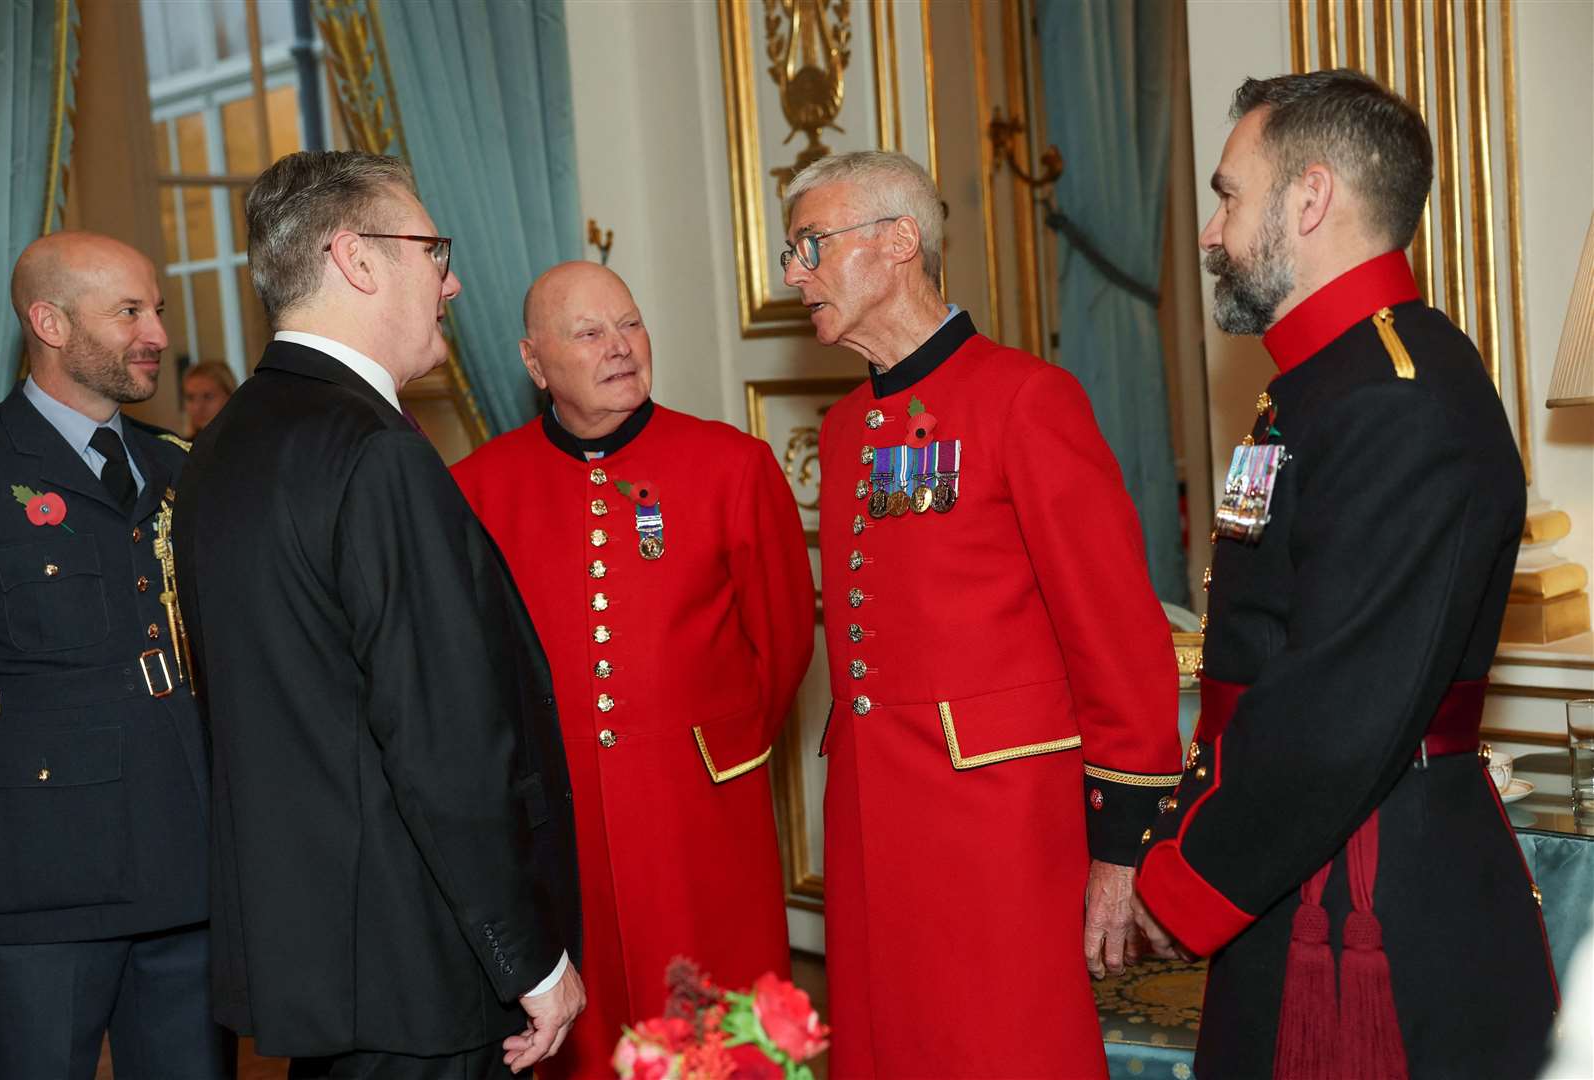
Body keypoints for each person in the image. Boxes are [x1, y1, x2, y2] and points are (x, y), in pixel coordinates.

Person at [1131, 70, 1557, 1078]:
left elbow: (1338, 705)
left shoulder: (1398, 399)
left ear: (1310, 198)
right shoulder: (1325, 386)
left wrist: (1188, 871)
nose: (1208, 232)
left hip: (1370, 889)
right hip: (1302, 862)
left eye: (1228, 195)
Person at [171, 150, 584, 1079]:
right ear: (357, 260)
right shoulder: (374, 452)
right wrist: (531, 955)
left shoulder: (224, 446)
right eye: (432, 250)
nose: (453, 279)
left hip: (313, 956)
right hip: (418, 960)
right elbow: (442, 743)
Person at [781, 150, 1183, 1078]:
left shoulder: (1026, 400)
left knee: (1002, 1047)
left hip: (996, 829)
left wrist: (1122, 845)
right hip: (874, 823)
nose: (794, 272)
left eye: (811, 244)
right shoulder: (845, 431)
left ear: (897, 243)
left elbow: (1117, 636)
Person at [451, 261, 815, 1077]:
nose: (621, 347)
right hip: (560, 827)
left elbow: (784, 642)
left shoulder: (733, 465)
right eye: (589, 333)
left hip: (702, 821)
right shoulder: (478, 490)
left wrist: (713, 752)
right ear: (535, 363)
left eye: (631, 324)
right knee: (587, 1030)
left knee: (717, 1025)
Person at [0, 231, 233, 1079]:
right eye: (129, 311)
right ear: (49, 322)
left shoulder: (181, 469)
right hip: (39, 883)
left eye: (155, 308)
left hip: (185, 863)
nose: (156, 331)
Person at [182, 359, 236, 435]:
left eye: (208, 397)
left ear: (230, 397)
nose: (197, 407)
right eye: (191, 398)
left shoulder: (249, 442)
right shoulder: (182, 445)